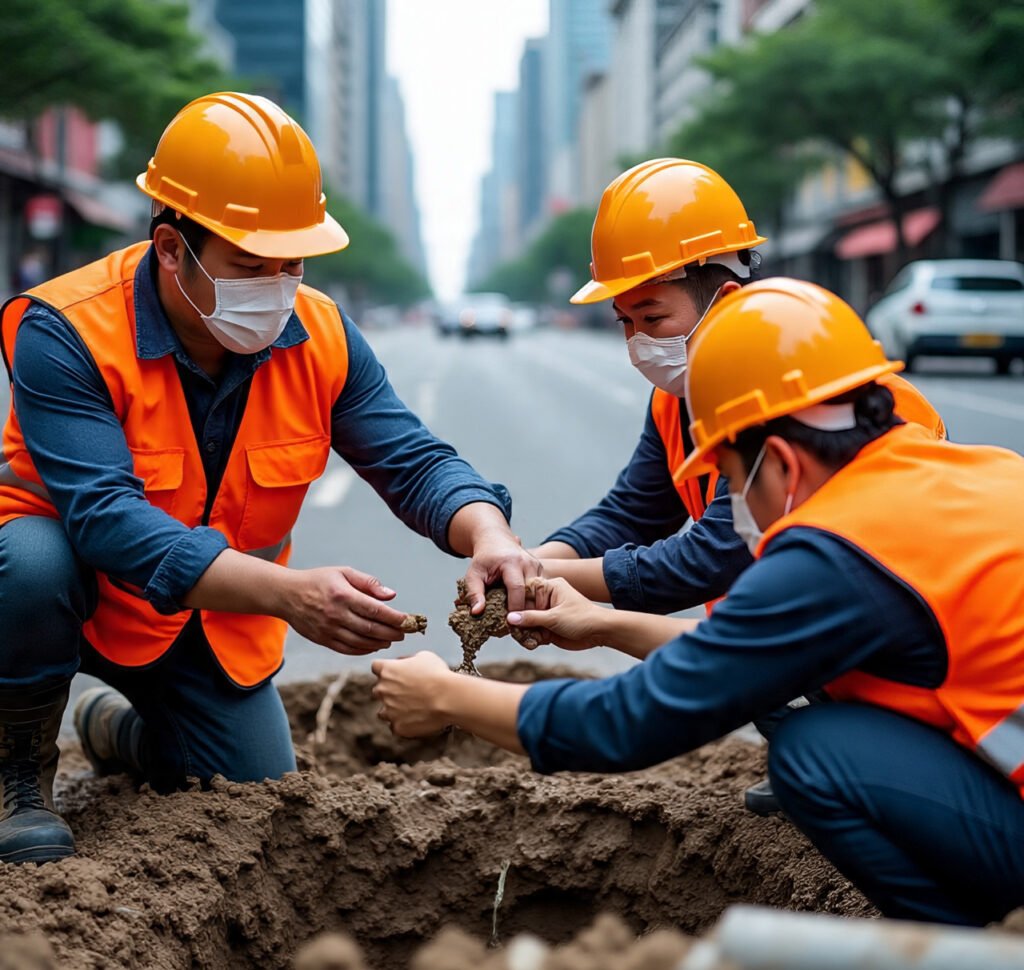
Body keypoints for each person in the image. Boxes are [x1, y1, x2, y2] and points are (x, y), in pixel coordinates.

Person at [373, 278, 1024, 927]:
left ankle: (967, 946)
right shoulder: (971, 472)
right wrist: (600, 625)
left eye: (732, 482)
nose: (736, 507)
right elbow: (748, 661)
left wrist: (445, 697)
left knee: (816, 754)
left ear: (783, 466)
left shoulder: (836, 552)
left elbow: (631, 722)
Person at [0, 92, 537, 865]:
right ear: (170, 248)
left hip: (211, 618)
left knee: (249, 788)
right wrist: (292, 596)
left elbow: (411, 458)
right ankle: (19, 773)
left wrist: (487, 531)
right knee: (32, 561)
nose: (279, 286)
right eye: (252, 266)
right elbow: (106, 520)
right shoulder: (66, 328)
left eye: (293, 262)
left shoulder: (319, 332)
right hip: (65, 596)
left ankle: (118, 729)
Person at [532, 159, 944, 617]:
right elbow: (634, 512)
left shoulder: (808, 394)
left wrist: (541, 579)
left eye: (652, 319)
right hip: (786, 653)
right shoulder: (677, 399)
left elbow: (713, 557)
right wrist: (532, 560)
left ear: (726, 301)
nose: (638, 343)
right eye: (625, 322)